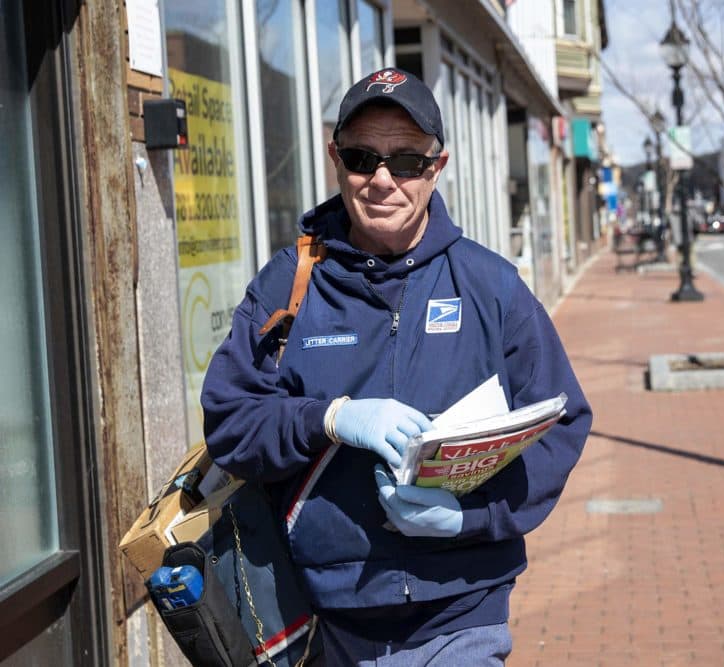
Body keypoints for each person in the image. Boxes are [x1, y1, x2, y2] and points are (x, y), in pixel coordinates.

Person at [201, 67, 592, 666]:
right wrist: (327, 418)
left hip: (462, 613)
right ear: (336, 160)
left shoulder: (491, 288)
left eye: (406, 161)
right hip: (323, 621)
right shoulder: (289, 284)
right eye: (363, 157)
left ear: (437, 168)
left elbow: (562, 423)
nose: (382, 180)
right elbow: (231, 420)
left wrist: (469, 517)